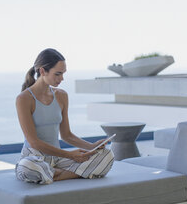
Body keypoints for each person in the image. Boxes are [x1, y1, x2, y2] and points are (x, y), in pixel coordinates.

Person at [15, 48, 114, 184]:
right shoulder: (24, 98)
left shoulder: (61, 95)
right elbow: (34, 142)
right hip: (34, 158)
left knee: (106, 155)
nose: (62, 78)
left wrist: (91, 147)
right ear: (43, 71)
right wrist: (70, 155)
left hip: (57, 159)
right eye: (58, 74)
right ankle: (73, 173)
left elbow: (66, 135)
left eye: (63, 73)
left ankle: (53, 175)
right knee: (28, 167)